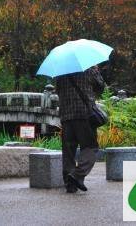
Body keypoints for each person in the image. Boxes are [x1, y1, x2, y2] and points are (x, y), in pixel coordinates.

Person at [55, 63, 106, 193]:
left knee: (68, 151)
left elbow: (58, 91)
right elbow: (101, 87)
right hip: (84, 114)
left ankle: (70, 185)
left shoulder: (61, 72)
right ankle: (77, 175)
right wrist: (96, 71)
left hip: (66, 115)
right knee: (90, 147)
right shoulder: (89, 69)